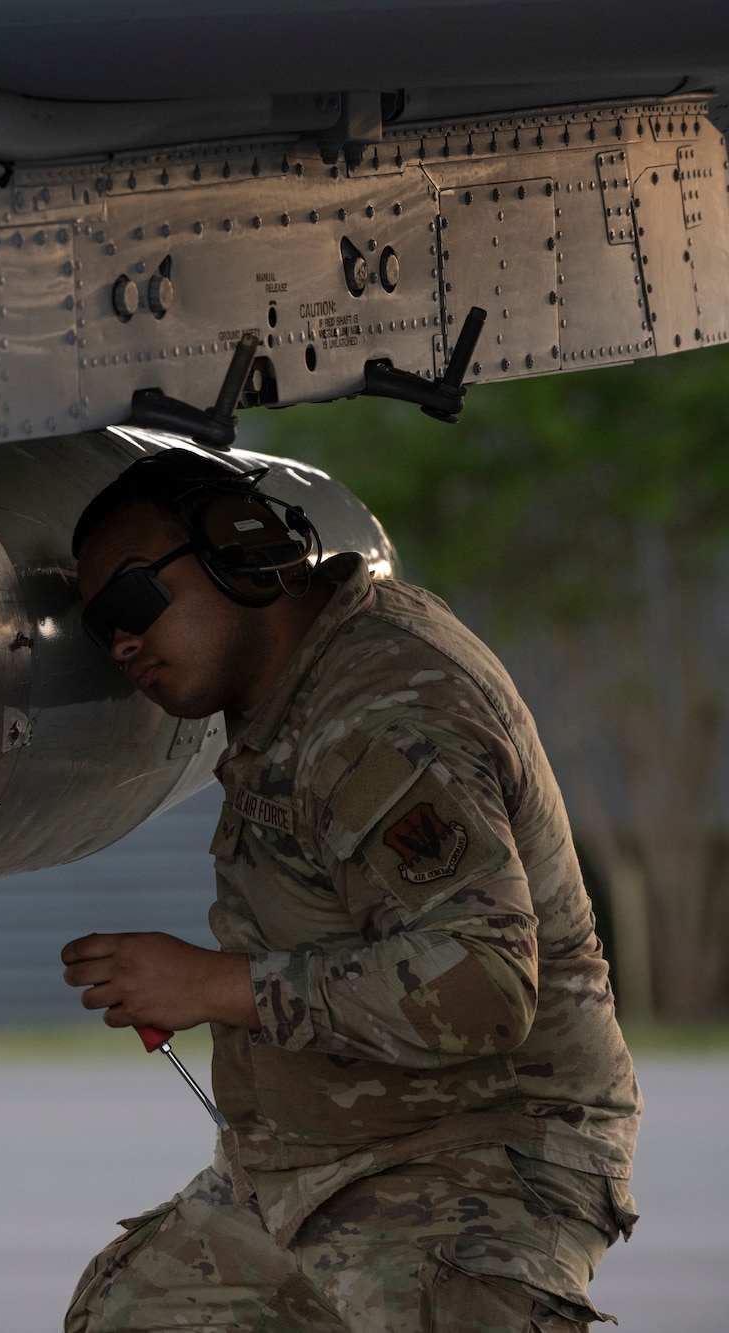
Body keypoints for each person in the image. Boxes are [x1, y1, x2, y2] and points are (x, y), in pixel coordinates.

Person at [59, 448, 639, 1333]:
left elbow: (485, 983)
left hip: (484, 1146)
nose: (125, 641)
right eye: (103, 628)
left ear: (239, 546)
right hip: (325, 1155)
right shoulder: (298, 683)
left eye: (134, 601)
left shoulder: (379, 720)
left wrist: (213, 985)